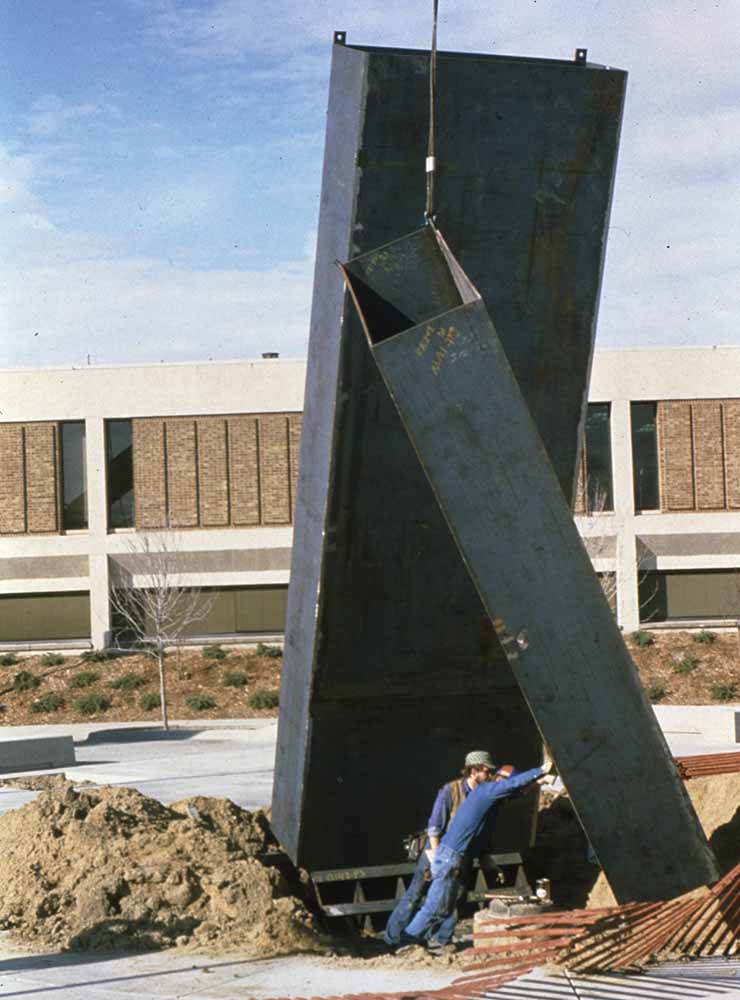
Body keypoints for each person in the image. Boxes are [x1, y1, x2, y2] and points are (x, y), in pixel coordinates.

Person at [401, 758, 555, 948]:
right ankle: (406, 944)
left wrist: (537, 782)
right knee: (434, 907)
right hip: (450, 857)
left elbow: (515, 792)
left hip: (454, 856)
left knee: (444, 908)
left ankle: (429, 942)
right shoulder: (488, 791)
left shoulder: (488, 796)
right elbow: (514, 785)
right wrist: (540, 770)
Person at [384, 750, 496, 947]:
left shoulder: (483, 794)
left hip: (461, 856)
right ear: (473, 771)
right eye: (487, 771)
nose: (490, 776)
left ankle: (440, 940)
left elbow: (481, 829)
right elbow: (434, 827)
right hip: (436, 852)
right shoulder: (450, 791)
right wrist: (436, 859)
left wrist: (485, 854)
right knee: (415, 895)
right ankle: (393, 940)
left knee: (455, 899)